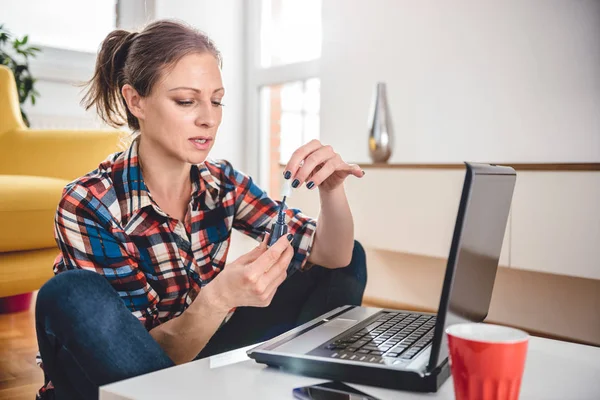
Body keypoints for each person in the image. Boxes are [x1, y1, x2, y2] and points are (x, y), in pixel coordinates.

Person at [35, 19, 366, 400]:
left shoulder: (222, 182)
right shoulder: (90, 202)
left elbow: (335, 255)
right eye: (186, 101)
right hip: (117, 381)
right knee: (70, 294)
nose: (209, 118)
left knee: (347, 258)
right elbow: (134, 357)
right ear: (135, 100)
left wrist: (331, 191)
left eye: (216, 99)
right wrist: (220, 298)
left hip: (199, 366)